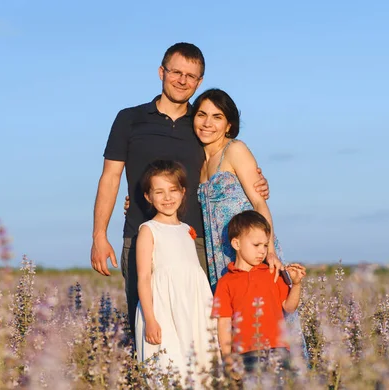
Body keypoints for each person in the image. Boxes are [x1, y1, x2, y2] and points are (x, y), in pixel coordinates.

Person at [90, 43, 270, 337]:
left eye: (191, 76)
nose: (182, 80)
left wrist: (257, 181)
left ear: (199, 82)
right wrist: (99, 234)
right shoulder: (129, 119)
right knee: (146, 324)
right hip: (139, 236)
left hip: (197, 241)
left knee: (202, 331)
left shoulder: (201, 123)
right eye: (176, 72)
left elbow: (229, 160)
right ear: (162, 72)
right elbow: (110, 177)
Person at [134, 160, 219, 388]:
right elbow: (143, 277)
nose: (167, 197)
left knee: (200, 362)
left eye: (173, 190)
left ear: (183, 193)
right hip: (163, 309)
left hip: (194, 305)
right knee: (170, 364)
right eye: (159, 192)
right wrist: (150, 320)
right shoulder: (148, 230)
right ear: (148, 197)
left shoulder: (186, 229)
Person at [194, 88, 287, 292]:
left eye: (217, 117)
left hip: (251, 249)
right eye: (202, 115)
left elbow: (259, 203)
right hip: (218, 254)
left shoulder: (235, 149)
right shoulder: (198, 160)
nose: (207, 123)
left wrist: (269, 250)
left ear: (229, 125)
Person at [213, 210, 305, 374]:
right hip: (244, 355)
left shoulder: (273, 273)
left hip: (278, 350)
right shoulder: (225, 282)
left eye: (265, 245)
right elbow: (224, 323)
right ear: (236, 244)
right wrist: (227, 359)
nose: (262, 251)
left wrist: (296, 284)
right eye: (256, 245)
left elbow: (289, 307)